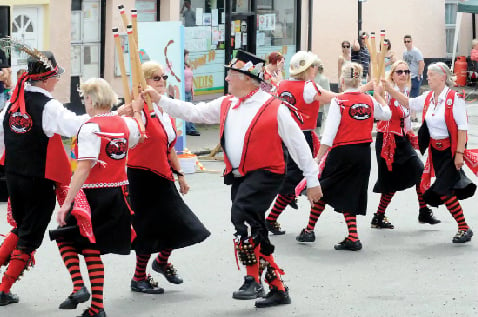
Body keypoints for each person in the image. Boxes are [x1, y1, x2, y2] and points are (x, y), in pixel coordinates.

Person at [144, 50, 322, 308]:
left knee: (242, 215)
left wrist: (312, 180)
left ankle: (252, 280)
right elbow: (195, 111)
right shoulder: (228, 103)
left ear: (248, 78)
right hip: (239, 176)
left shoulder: (274, 107)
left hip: (267, 173)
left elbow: (299, 146)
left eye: (231, 74)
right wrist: (160, 100)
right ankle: (277, 288)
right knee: (250, 227)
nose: (227, 78)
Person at [0, 51, 89, 306]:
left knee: (21, 227)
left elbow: (0, 137)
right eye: (55, 76)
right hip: (38, 178)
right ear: (47, 78)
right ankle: (3, 289)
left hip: (14, 176)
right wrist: (103, 116)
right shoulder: (47, 106)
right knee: (30, 235)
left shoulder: (12, 102)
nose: (58, 81)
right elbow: (74, 126)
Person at [54, 78, 142, 317]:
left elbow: (83, 168)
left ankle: (81, 288)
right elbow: (137, 139)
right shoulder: (126, 124)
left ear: (91, 99)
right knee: (88, 246)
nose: (84, 103)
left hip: (94, 195)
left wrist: (67, 202)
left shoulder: (90, 127)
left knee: (64, 238)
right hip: (119, 193)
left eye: (84, 98)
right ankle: (94, 304)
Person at [127, 61, 210, 294]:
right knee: (148, 227)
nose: (162, 81)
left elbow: (169, 147)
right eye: (155, 78)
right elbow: (133, 136)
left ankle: (161, 262)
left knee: (177, 223)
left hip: (163, 175)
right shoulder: (136, 110)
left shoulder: (165, 111)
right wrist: (133, 110)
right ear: (144, 83)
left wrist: (181, 175)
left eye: (163, 77)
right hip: (142, 176)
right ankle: (139, 277)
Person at [296, 62, 391, 250]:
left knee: (322, 188)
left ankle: (311, 230)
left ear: (341, 81)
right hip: (363, 154)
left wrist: (318, 158)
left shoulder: (338, 101)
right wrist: (379, 95)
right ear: (359, 80)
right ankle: (350, 236)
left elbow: (329, 134)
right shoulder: (369, 100)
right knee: (349, 192)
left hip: (342, 152)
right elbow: (386, 115)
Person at [394, 62, 476, 243]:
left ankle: (464, 228)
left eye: (431, 75)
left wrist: (459, 154)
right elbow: (409, 103)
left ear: (442, 77)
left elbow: (462, 128)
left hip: (450, 152)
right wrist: (388, 90)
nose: (427, 78)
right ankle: (463, 228)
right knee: (446, 191)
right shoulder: (429, 97)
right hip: (435, 152)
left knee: (444, 191)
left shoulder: (455, 98)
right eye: (428, 74)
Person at [265, 51, 336, 235]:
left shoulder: (281, 84)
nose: (316, 69)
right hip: (301, 136)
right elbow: (333, 97)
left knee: (292, 177)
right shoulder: (308, 87)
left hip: (280, 136)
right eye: (314, 66)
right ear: (309, 69)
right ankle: (275, 219)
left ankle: (273, 218)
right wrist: (357, 92)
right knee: (302, 177)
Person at [372, 60, 439, 229]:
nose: (404, 75)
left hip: (402, 140)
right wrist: (379, 88)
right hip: (388, 141)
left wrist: (411, 135)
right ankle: (379, 216)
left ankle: (423, 211)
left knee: (419, 173)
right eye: (400, 72)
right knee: (391, 183)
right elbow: (377, 100)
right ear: (392, 74)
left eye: (407, 72)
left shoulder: (404, 91)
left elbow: (407, 118)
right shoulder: (386, 92)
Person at [403, 34, 424, 121]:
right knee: (408, 95)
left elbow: (421, 63)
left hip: (415, 76)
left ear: (411, 42)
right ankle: (410, 115)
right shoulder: (405, 52)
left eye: (408, 41)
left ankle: (414, 116)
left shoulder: (416, 51)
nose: (407, 43)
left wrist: (419, 74)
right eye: (405, 42)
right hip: (408, 76)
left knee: (414, 96)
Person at [184, 49, 200, 136]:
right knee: (186, 110)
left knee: (190, 109)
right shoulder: (180, 66)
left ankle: (191, 128)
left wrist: (192, 90)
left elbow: (191, 80)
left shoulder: (187, 66)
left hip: (188, 91)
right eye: (186, 55)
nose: (188, 57)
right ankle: (188, 129)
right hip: (183, 91)